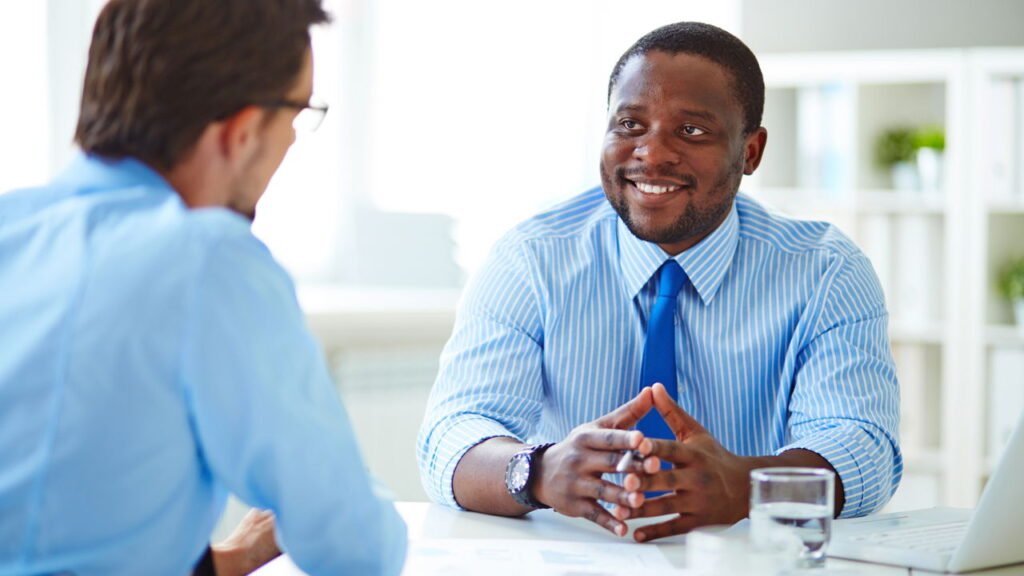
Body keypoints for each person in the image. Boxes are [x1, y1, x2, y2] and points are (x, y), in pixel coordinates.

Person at [417, 21, 901, 543]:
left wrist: (744, 486)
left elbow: (862, 447)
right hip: (571, 557)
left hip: (743, 561)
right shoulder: (532, 258)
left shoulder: (825, 272)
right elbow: (453, 434)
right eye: (630, 124)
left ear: (751, 152)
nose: (651, 153)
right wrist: (538, 471)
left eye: (691, 131)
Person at [0, 1, 406, 574]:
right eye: (298, 113)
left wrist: (233, 558)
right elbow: (354, 548)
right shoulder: (208, 260)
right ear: (243, 131)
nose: (292, 140)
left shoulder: (13, 226)